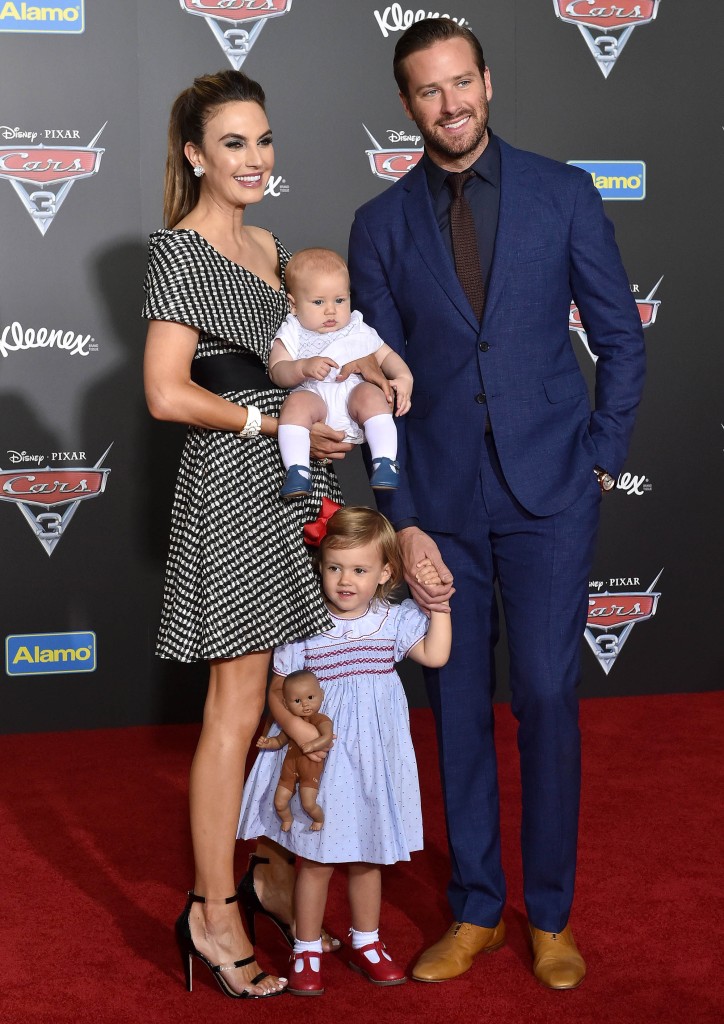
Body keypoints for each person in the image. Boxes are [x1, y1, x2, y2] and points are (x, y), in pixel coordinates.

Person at [348, 19, 646, 990]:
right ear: (407, 105)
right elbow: (383, 391)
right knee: (458, 706)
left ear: (487, 81)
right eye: (429, 91)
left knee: (549, 697)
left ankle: (549, 913)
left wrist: (601, 451)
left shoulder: (563, 192)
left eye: (462, 82)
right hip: (439, 507)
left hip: (550, 491)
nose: (451, 103)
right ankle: (476, 905)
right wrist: (400, 513)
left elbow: (619, 334)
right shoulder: (379, 225)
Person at [142, 69, 381, 999]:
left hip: (298, 482)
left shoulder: (275, 245)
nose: (253, 158)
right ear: (196, 155)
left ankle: (275, 872)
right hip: (236, 485)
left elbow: (303, 355)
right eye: (233, 143)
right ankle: (212, 910)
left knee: (296, 690)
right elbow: (166, 393)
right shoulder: (179, 251)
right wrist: (257, 422)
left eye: (263, 140)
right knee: (237, 710)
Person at [237, 507, 452, 995]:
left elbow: (436, 655)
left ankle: (367, 941)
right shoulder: (306, 624)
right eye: (335, 567)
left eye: (359, 570)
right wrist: (296, 727)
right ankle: (306, 946)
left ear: (385, 574)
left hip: (374, 757)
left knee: (367, 855)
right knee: (315, 857)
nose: (345, 580)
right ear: (321, 566)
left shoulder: (393, 622)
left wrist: (440, 605)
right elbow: (277, 688)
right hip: (323, 759)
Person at [269, 247, 412, 500]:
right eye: (318, 302)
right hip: (315, 398)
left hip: (352, 397)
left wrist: (404, 377)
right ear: (293, 304)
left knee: (371, 394)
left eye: (339, 300)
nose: (331, 311)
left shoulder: (356, 328)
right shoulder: (293, 331)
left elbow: (386, 355)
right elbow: (277, 371)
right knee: (295, 403)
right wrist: (301, 367)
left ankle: (385, 462)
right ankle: (297, 470)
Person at [256, 669, 334, 831]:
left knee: (308, 803)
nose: (305, 704)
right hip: (289, 770)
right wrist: (267, 742)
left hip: (310, 771)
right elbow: (279, 741)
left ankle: (319, 819)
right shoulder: (293, 724)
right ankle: (287, 818)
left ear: (321, 694)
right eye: (297, 701)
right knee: (279, 802)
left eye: (310, 698)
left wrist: (313, 745)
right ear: (286, 704)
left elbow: (327, 736)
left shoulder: (320, 718)